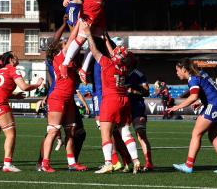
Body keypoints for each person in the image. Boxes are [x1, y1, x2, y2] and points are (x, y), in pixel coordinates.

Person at [85, 31, 141, 174]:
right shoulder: (124, 67)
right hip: (124, 100)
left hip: (110, 100)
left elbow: (93, 50)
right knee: (126, 133)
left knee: (105, 134)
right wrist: (106, 40)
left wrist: (88, 35)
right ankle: (135, 159)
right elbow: (115, 54)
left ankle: (108, 163)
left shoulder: (108, 64)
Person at [0, 51, 43, 172]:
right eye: (15, 56)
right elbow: (24, 86)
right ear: (10, 60)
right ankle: (7, 164)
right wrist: (37, 84)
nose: (17, 57)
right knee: (10, 133)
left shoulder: (0, 70)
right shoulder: (12, 69)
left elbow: (0, 89)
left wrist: (14, 96)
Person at [166, 59, 217, 174]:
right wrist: (202, 102)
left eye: (177, 70)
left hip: (215, 105)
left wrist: (177, 107)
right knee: (214, 137)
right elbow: (210, 90)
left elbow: (193, 97)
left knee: (196, 133)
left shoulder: (193, 78)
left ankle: (188, 165)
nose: (176, 73)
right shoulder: (201, 73)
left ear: (184, 69)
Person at [39, 18, 87, 173]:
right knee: (53, 131)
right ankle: (45, 163)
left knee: (71, 132)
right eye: (64, 42)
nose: (67, 42)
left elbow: (75, 44)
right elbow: (74, 38)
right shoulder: (61, 56)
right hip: (58, 97)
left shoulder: (71, 59)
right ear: (60, 47)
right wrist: (79, 22)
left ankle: (71, 163)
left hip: (69, 98)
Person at [126, 52, 154, 171]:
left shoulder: (138, 74)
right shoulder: (119, 72)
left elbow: (146, 92)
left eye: (126, 58)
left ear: (131, 60)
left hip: (137, 106)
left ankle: (148, 163)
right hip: (122, 107)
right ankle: (125, 162)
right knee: (120, 135)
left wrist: (132, 91)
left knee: (140, 134)